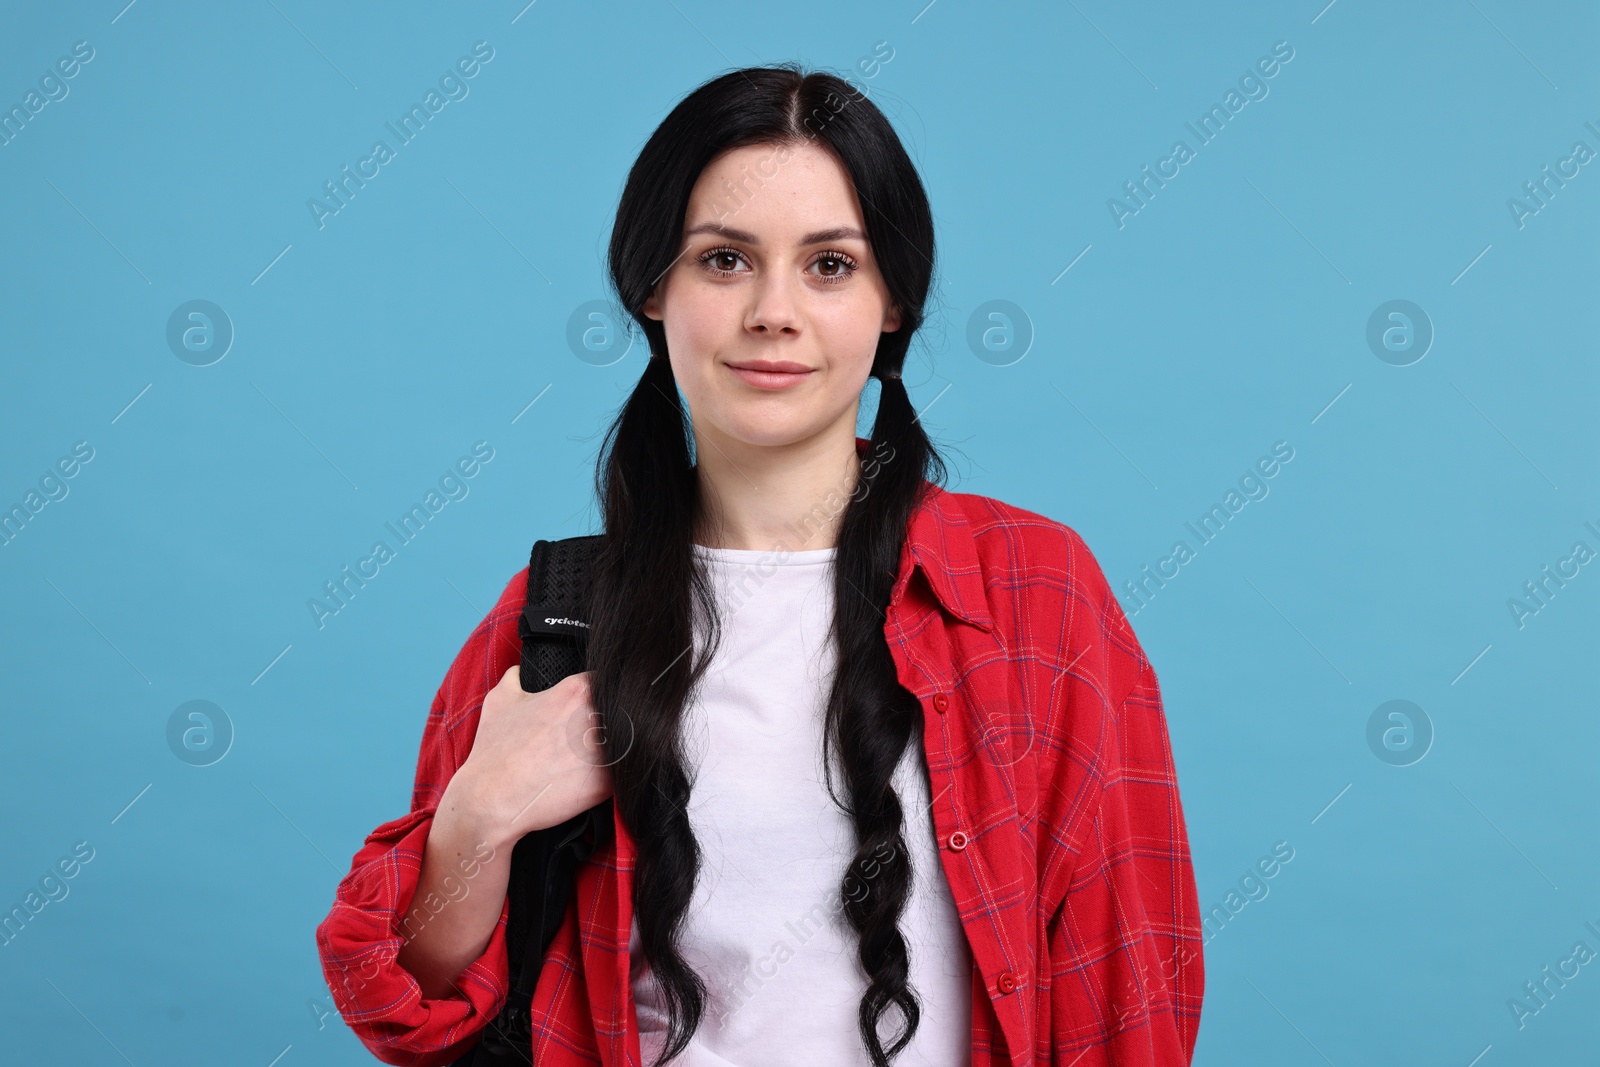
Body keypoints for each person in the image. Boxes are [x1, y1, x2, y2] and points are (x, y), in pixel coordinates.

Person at [316, 63, 1204, 1067]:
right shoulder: (559, 621)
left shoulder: (1033, 592)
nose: (773, 311)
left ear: (893, 304)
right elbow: (415, 1008)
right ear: (653, 291)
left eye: (828, 265)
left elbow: (1131, 987)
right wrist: (480, 811)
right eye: (725, 259)